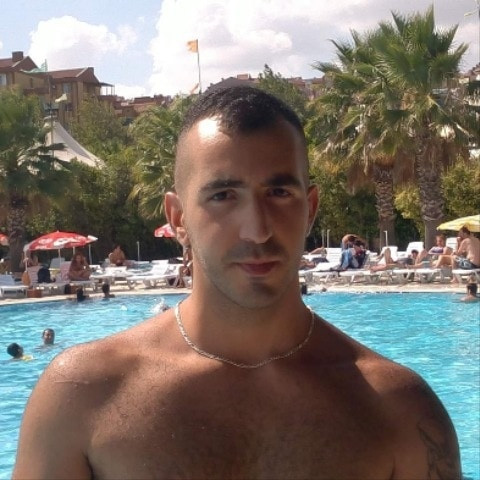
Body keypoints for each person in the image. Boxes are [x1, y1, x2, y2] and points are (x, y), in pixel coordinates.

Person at [13, 86, 461, 479]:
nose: (257, 230)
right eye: (223, 195)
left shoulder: (399, 410)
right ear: (178, 218)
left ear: (310, 209)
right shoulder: (83, 395)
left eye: (279, 193)